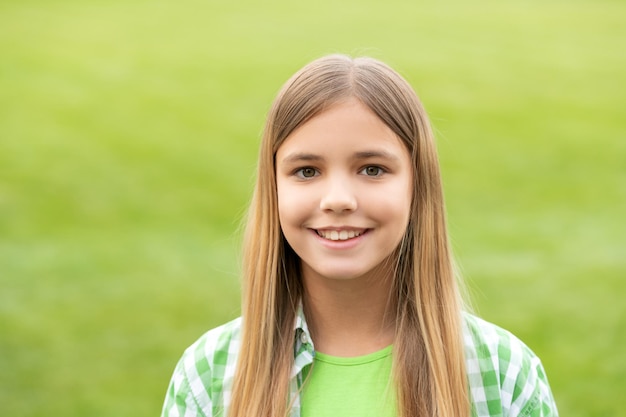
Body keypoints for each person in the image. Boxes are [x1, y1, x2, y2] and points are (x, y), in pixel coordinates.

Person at [160, 54, 559, 417]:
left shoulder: (502, 375)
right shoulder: (210, 376)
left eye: (371, 169)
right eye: (307, 171)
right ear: (274, 189)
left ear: (417, 186)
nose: (338, 200)